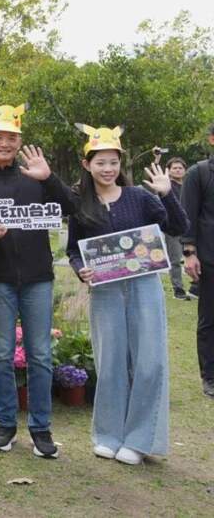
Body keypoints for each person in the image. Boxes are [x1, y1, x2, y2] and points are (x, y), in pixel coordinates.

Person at [67, 124, 187, 465]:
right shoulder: (81, 204)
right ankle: (108, 435)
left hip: (144, 286)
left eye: (113, 162)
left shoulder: (140, 197)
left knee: (149, 362)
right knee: (111, 364)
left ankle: (139, 440)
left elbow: (178, 227)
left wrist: (167, 193)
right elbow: (74, 249)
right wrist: (80, 269)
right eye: (100, 162)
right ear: (87, 164)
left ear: (120, 164)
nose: (108, 169)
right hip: (104, 289)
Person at [0, 100, 78, 459]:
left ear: (19, 142)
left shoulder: (36, 176)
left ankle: (41, 429)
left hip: (37, 277)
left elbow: (71, 207)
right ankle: (5, 425)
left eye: (12, 138)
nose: (5, 143)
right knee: (0, 354)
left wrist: (50, 178)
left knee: (41, 354)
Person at [182, 121, 214, 397]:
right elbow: (187, 217)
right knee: (209, 318)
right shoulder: (199, 173)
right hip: (209, 256)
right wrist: (190, 253)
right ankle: (210, 376)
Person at [164, 157, 191, 300]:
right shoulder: (166, 185)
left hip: (190, 227)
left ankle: (196, 287)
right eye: (174, 168)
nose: (178, 170)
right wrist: (157, 160)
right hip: (173, 228)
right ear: (168, 171)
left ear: (185, 170)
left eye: (180, 168)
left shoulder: (189, 185)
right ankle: (178, 289)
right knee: (175, 259)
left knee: (193, 255)